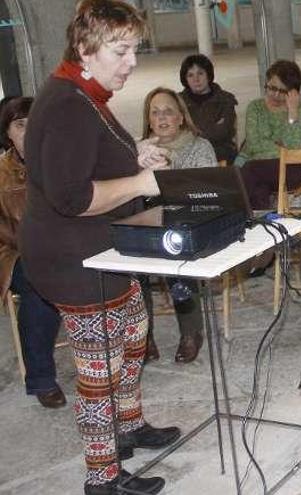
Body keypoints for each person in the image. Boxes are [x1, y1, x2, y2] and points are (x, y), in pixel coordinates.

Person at [20, 1, 180, 493]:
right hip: (71, 255)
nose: (132, 60)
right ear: (86, 49)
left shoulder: (85, 91)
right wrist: (140, 183)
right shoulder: (68, 103)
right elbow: (73, 197)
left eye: (135, 48)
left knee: (132, 329)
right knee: (100, 366)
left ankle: (128, 428)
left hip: (97, 247)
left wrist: (134, 154)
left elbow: (90, 154)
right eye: (121, 49)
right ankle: (102, 477)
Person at [140, 87, 216, 363]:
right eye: (155, 112)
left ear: (181, 117)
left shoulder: (199, 146)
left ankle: (191, 332)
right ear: (149, 120)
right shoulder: (140, 150)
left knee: (177, 261)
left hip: (186, 222)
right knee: (132, 269)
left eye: (168, 111)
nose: (162, 118)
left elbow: (205, 193)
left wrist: (169, 170)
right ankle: (143, 336)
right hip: (148, 223)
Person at [0, 96, 66, 409]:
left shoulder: (60, 162)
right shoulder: (1, 173)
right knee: (39, 286)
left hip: (64, 247)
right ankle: (41, 378)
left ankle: (120, 352)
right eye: (19, 124)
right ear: (8, 133)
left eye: (33, 122)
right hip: (16, 253)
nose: (28, 131)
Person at [235, 59, 301, 209]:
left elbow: (293, 145)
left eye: (283, 91)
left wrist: (292, 114)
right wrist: (282, 148)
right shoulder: (255, 108)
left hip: (291, 169)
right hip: (259, 168)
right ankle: (264, 225)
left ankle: (235, 221)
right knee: (258, 190)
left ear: (294, 92)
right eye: (272, 88)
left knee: (248, 171)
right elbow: (254, 145)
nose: (276, 95)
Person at [178, 53, 238, 163]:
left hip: (221, 154)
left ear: (208, 75)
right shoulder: (177, 102)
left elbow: (224, 132)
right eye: (190, 75)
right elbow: (177, 134)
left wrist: (194, 133)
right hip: (187, 155)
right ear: (185, 79)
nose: (196, 79)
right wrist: (212, 127)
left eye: (200, 73)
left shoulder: (225, 100)